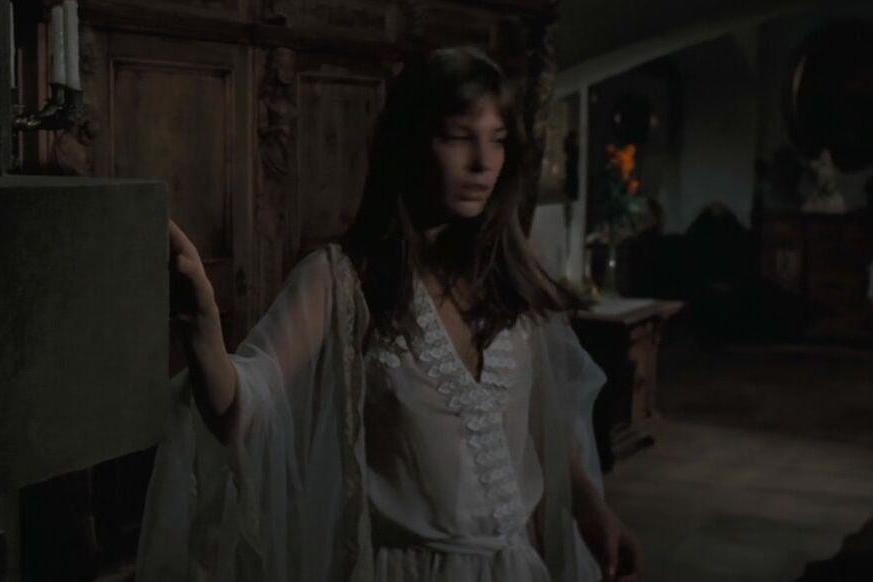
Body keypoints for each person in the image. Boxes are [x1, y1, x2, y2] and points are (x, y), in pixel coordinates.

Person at [139, 46, 640, 582]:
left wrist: (592, 509)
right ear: (410, 142)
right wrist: (202, 327)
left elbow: (541, 418)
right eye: (458, 136)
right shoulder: (342, 278)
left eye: (496, 139)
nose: (483, 162)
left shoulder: (508, 272)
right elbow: (243, 406)